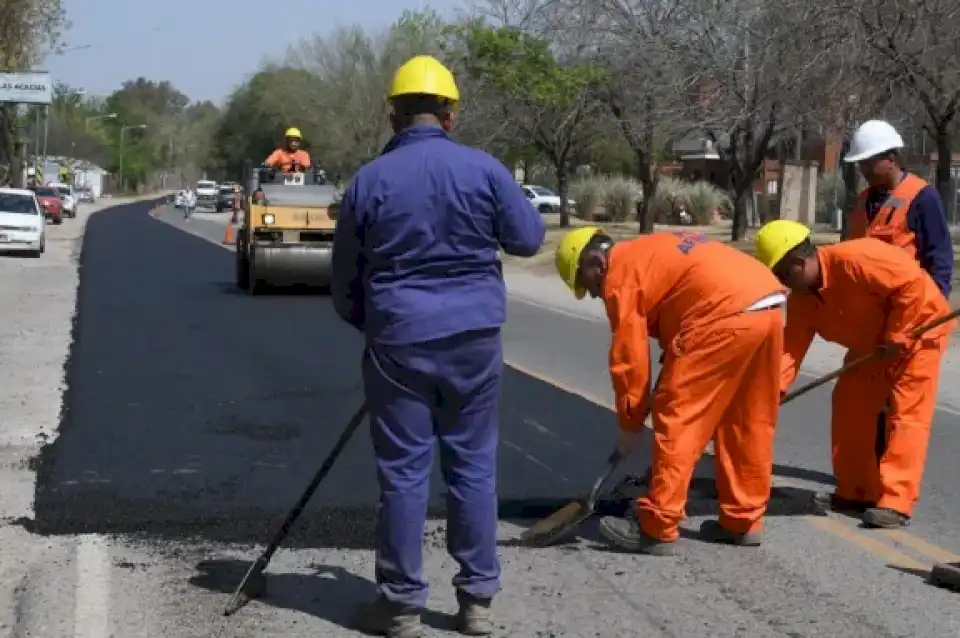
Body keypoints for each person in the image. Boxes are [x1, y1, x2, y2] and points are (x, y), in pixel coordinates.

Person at [331, 54, 545, 638]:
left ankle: (400, 606)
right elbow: (528, 239)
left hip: (399, 340)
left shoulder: (370, 180)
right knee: (473, 465)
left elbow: (343, 281)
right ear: (450, 115)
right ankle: (476, 600)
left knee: (403, 472)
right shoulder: (485, 170)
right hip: (474, 341)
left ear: (395, 117)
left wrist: (377, 333)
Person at [554, 227, 786, 555]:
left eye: (587, 283)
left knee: (678, 415)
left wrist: (630, 422)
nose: (593, 293)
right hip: (767, 306)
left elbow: (629, 358)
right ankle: (742, 520)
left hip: (721, 315)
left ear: (593, 261)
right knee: (746, 419)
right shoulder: (647, 248)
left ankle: (657, 525)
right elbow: (684, 292)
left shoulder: (620, 276)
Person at [754, 220, 953, 529]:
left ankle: (895, 502)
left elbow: (910, 283)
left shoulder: (858, 258)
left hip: (918, 334)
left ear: (798, 261)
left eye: (781, 274)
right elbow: (789, 351)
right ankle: (857, 491)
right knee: (849, 404)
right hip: (872, 346)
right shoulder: (802, 300)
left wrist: (899, 332)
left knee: (907, 414)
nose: (780, 282)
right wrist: (772, 392)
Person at [843, 120, 953, 298]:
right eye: (860, 164)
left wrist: (933, 306)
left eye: (868, 164)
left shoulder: (923, 198)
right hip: (868, 313)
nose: (863, 170)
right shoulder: (862, 201)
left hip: (908, 310)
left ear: (891, 159)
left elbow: (939, 260)